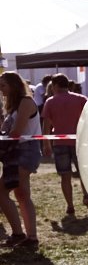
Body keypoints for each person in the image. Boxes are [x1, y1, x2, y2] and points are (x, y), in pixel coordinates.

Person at [40, 74, 88, 218]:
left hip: (59, 142)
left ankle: (70, 206)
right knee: (84, 174)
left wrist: (46, 143)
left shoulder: (50, 102)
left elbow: (46, 125)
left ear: (55, 85)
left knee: (65, 176)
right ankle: (87, 196)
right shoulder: (81, 99)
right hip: (80, 142)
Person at [0, 73, 42, 249]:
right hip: (18, 151)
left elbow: (16, 132)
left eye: (3, 85)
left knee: (1, 192)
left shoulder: (25, 102)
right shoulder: (14, 106)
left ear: (13, 85)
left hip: (26, 151)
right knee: (22, 194)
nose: (1, 89)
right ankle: (31, 238)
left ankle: (18, 234)